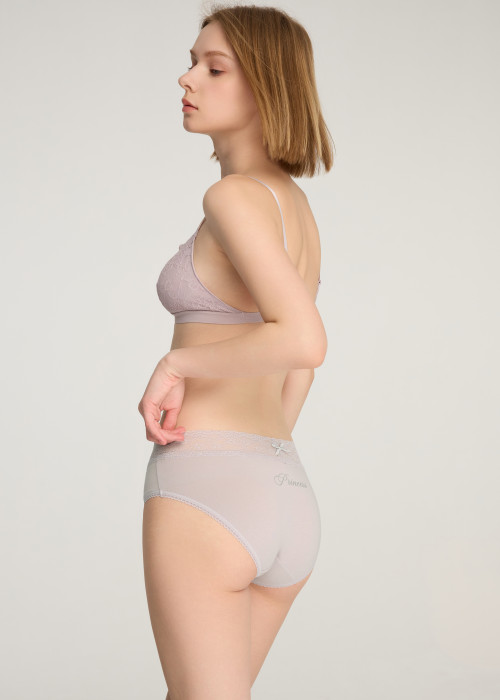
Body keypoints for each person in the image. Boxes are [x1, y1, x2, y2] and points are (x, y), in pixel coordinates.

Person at [138, 4, 334, 699]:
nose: (187, 78)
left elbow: (304, 341)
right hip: (285, 490)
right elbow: (296, 372)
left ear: (266, 86)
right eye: (193, 61)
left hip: (208, 489)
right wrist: (258, 469)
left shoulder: (233, 198)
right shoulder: (293, 206)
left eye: (214, 68)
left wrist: (177, 363)